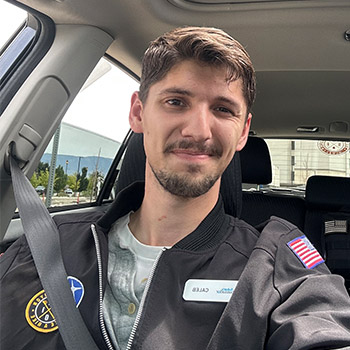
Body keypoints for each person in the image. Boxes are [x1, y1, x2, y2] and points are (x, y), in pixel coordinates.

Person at [1, 26, 350, 350]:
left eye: (222, 109)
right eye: (176, 102)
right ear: (138, 112)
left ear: (243, 132)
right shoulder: (43, 245)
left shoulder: (275, 266)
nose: (198, 130)